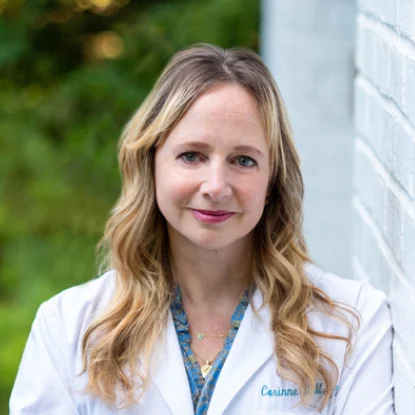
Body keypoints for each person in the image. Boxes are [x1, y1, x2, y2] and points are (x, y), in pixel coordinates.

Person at [10, 43, 394, 415]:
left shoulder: (351, 326)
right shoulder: (67, 328)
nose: (215, 186)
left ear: (272, 180)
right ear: (151, 164)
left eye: (243, 160)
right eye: (191, 156)